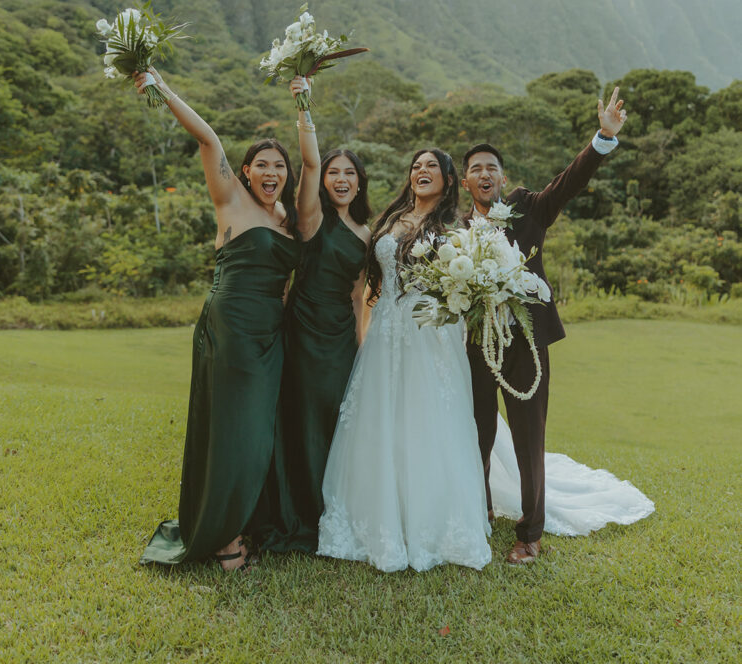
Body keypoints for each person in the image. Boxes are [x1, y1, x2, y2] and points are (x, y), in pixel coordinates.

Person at [461, 86, 652, 564]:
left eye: (491, 167)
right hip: (474, 346)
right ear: (465, 182)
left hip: (526, 342)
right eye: (476, 168)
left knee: (529, 438)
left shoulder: (528, 206)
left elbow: (569, 182)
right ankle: (478, 511)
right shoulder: (455, 231)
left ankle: (530, 533)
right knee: (475, 433)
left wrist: (602, 139)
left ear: (503, 177)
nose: (485, 174)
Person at [135, 66, 300, 572]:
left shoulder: (286, 220)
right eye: (262, 164)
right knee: (235, 431)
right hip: (232, 328)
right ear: (244, 171)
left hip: (270, 335)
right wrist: (162, 87)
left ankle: (243, 521)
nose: (271, 172)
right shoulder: (231, 200)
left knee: (259, 433)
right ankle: (226, 541)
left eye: (279, 166)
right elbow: (207, 138)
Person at [318, 149, 492, 572]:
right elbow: (371, 287)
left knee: (426, 421)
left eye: (432, 166)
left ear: (448, 180)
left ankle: (430, 521)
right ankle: (381, 513)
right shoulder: (391, 219)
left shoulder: (455, 228)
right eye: (416, 165)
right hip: (385, 332)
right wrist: (364, 334)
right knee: (382, 421)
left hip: (429, 335)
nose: (421, 171)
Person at [261, 77, 371, 553]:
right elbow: (307, 161)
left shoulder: (366, 233)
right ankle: (303, 512)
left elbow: (358, 294)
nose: (341, 179)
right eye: (333, 172)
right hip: (303, 333)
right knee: (302, 420)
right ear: (324, 181)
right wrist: (303, 104)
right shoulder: (311, 217)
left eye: (350, 173)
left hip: (340, 339)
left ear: (360, 181)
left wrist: (360, 345)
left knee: (335, 422)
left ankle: (335, 509)